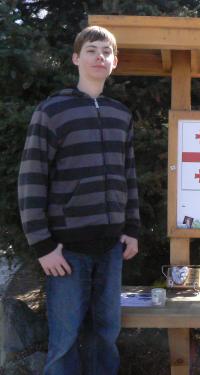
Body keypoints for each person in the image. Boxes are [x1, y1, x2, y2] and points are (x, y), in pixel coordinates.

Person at [18, 25, 140, 375]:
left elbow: (128, 175)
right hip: (65, 252)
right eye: (91, 50)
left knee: (106, 335)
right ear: (76, 58)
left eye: (106, 51)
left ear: (115, 62)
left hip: (112, 248)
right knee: (65, 339)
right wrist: (43, 246)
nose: (99, 56)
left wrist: (131, 228)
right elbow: (31, 179)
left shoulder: (121, 114)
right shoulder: (52, 111)